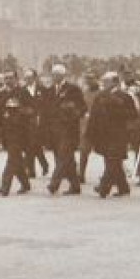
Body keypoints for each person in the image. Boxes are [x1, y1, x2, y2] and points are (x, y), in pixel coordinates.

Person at [86, 71, 136, 197]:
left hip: (118, 133)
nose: (104, 84)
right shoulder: (100, 96)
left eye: (107, 81)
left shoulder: (125, 96)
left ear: (115, 82)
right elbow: (94, 115)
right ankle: (123, 187)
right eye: (104, 81)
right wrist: (90, 133)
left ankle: (104, 187)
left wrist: (119, 106)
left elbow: (133, 114)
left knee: (113, 159)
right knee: (112, 160)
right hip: (103, 134)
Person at [42, 63, 86, 195]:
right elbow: (45, 111)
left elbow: (82, 107)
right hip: (53, 130)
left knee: (62, 156)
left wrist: (74, 113)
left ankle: (54, 184)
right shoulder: (49, 91)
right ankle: (75, 185)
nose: (55, 77)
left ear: (63, 75)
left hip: (68, 129)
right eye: (53, 74)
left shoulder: (73, 89)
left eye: (57, 74)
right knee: (67, 159)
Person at [0, 70, 34, 196]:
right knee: (16, 159)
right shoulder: (1, 94)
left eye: (10, 78)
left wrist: (19, 111)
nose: (8, 81)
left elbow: (33, 109)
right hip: (6, 132)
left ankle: (5, 186)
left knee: (12, 158)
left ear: (16, 79)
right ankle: (25, 183)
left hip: (20, 131)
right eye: (6, 78)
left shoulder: (23, 92)